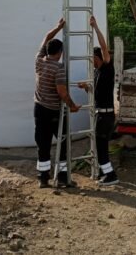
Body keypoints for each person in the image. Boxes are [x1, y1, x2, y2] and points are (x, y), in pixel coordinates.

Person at [34, 18, 80, 188]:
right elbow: (62, 92)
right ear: (60, 52)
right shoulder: (59, 68)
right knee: (62, 143)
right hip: (54, 111)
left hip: (39, 109)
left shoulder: (39, 60)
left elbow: (46, 37)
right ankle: (62, 177)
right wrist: (72, 106)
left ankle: (43, 178)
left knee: (43, 143)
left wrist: (58, 27)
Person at [79, 16, 119, 186]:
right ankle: (105, 171)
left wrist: (95, 27)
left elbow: (104, 47)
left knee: (101, 146)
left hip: (106, 115)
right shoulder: (97, 73)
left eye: (94, 59)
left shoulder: (107, 68)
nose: (92, 62)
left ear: (100, 58)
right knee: (99, 146)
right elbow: (97, 92)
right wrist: (86, 88)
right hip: (100, 114)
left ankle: (111, 176)